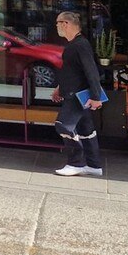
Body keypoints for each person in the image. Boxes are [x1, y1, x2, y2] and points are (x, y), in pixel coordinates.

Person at [51, 11, 106, 177]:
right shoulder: (76, 44)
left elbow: (91, 71)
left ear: (65, 24)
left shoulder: (79, 45)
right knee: (86, 130)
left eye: (58, 23)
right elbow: (74, 71)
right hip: (76, 93)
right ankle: (94, 165)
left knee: (63, 125)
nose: (56, 26)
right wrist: (60, 87)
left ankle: (76, 163)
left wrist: (96, 97)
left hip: (77, 95)